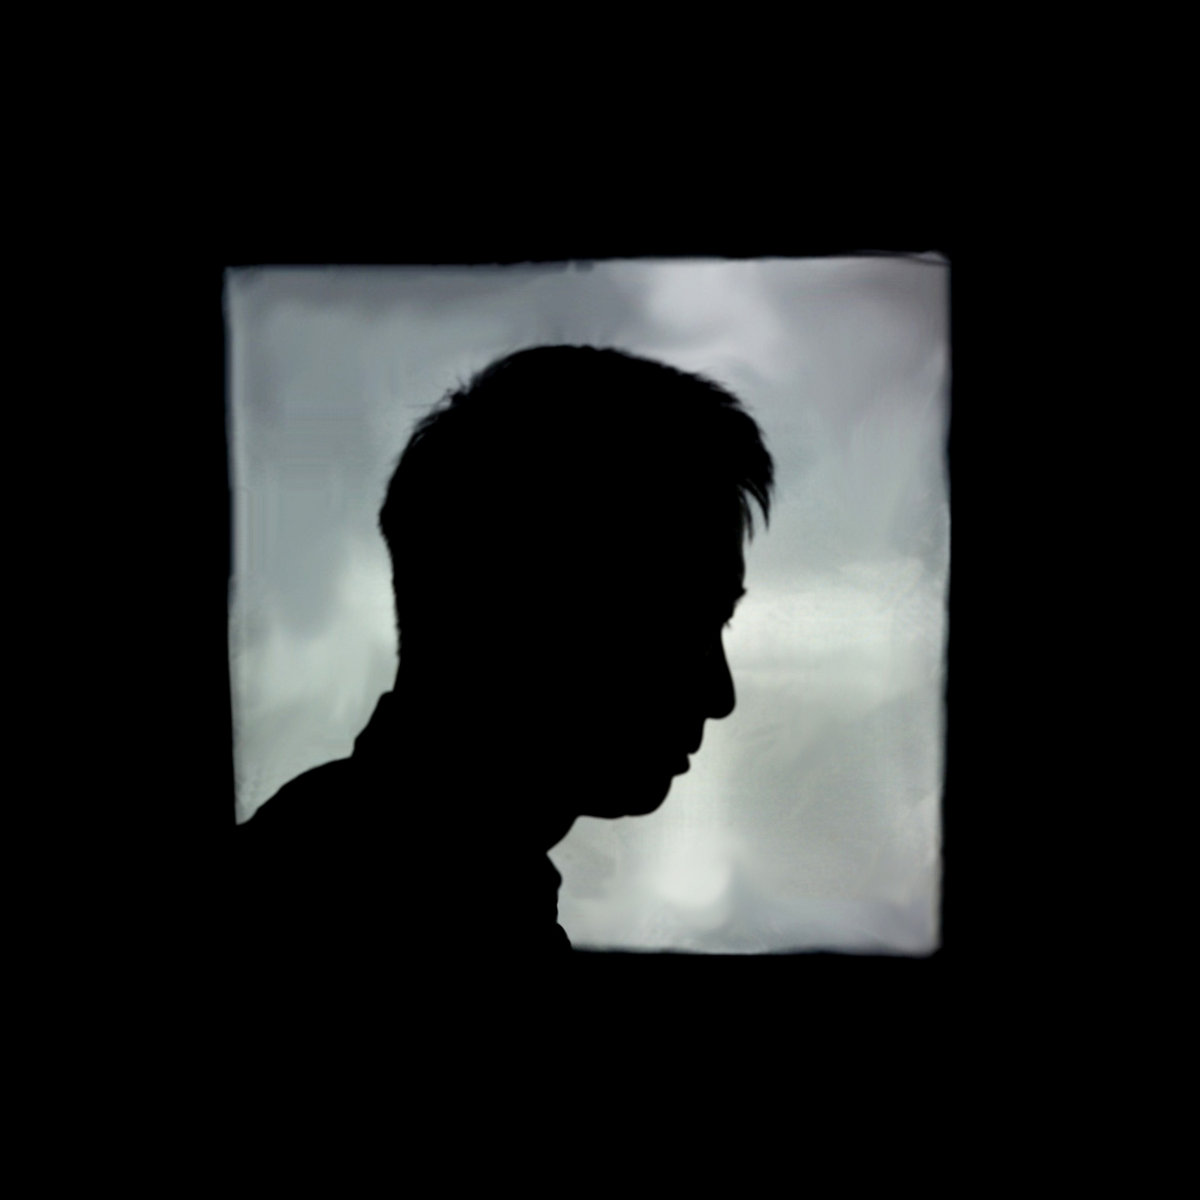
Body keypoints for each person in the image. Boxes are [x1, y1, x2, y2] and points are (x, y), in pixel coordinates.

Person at [235, 345, 774, 965]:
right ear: (541, 614)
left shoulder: (315, 864)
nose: (720, 696)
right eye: (689, 627)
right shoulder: (449, 923)